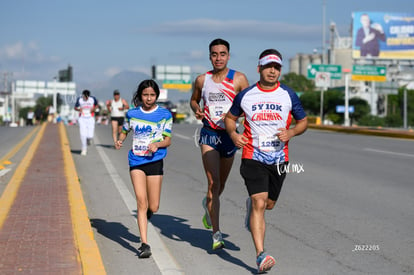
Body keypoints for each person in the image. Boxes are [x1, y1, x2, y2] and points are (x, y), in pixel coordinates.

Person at [224, 49, 308, 273]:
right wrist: (233, 135)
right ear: (259, 68)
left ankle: (252, 208)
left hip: (279, 159)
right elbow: (230, 118)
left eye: (277, 67)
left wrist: (291, 133)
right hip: (253, 156)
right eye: (269, 66)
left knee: (268, 205)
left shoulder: (288, 95)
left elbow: (303, 122)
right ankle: (261, 255)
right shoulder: (246, 95)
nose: (273, 71)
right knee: (260, 202)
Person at [190, 38, 249, 250]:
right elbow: (194, 99)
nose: (218, 58)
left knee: (221, 185)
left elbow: (248, 106)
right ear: (209, 56)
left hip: (229, 136)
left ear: (228, 56)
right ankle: (216, 234)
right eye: (214, 54)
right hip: (209, 134)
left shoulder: (239, 79)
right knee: (213, 183)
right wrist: (196, 108)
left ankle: (208, 206)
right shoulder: (201, 80)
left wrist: (235, 117)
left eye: (222, 54)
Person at [115, 79, 172, 259]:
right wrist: (120, 139)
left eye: (152, 95)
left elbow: (168, 139)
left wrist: (158, 144)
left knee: (153, 205)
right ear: (140, 95)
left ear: (157, 95)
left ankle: (148, 211)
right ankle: (144, 244)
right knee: (141, 201)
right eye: (145, 95)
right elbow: (125, 130)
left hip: (155, 161)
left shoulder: (164, 114)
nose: (148, 98)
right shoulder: (132, 113)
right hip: (136, 161)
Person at [74, 90, 98, 156]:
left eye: (87, 97)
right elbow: (75, 107)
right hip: (82, 118)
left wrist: (93, 109)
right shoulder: (79, 99)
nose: (85, 98)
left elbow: (96, 105)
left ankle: (88, 139)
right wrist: (79, 109)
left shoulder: (93, 99)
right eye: (84, 97)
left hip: (90, 118)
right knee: (83, 135)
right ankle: (84, 149)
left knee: (90, 135)